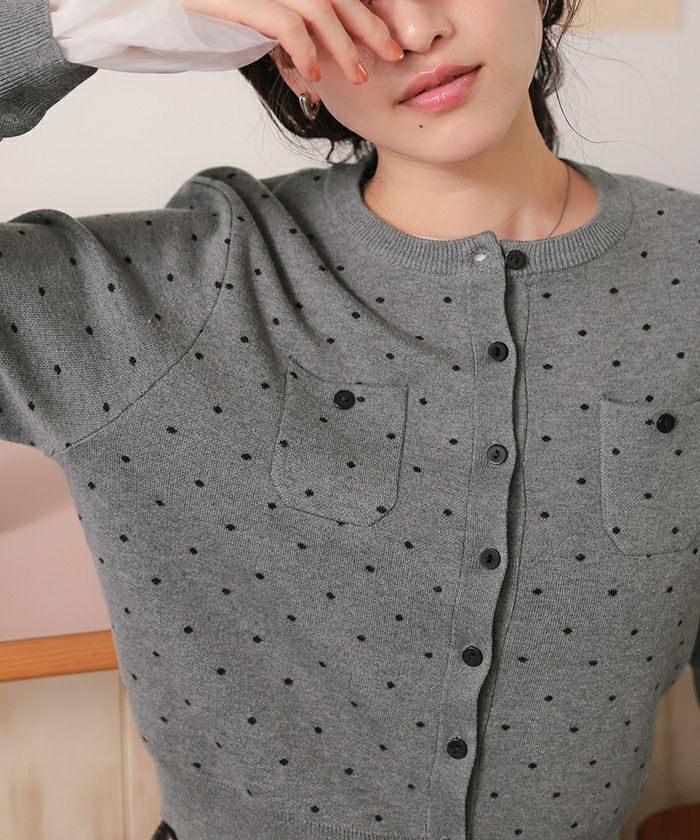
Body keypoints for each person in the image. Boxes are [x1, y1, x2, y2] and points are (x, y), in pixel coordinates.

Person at [2, 2, 699, 840]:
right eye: (349, 4)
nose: (414, 31)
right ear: (288, 59)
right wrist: (74, 21)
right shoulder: (172, 291)